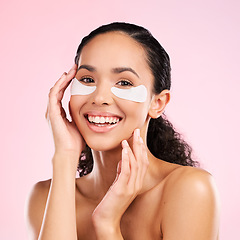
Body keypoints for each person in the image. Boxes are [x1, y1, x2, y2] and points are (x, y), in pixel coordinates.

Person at [25, 22, 220, 240]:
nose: (99, 98)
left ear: (157, 103)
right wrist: (65, 156)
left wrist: (107, 225)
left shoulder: (190, 190)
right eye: (88, 79)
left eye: (124, 82)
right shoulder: (43, 197)